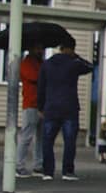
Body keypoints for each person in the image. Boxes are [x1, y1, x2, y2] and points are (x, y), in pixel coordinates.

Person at [37, 40, 93, 181]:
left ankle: (48, 172)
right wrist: (76, 56)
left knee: (47, 140)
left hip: (51, 107)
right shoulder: (74, 63)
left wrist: (40, 106)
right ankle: (67, 171)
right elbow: (90, 66)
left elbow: (41, 87)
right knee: (69, 141)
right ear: (71, 49)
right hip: (69, 107)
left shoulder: (47, 64)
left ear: (60, 48)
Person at [14, 44, 44, 178]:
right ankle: (19, 166)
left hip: (42, 104)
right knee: (26, 136)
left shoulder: (41, 63)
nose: (40, 50)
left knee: (40, 138)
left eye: (41, 48)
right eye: (38, 48)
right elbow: (35, 78)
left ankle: (38, 166)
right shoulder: (26, 63)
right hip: (31, 104)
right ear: (31, 49)